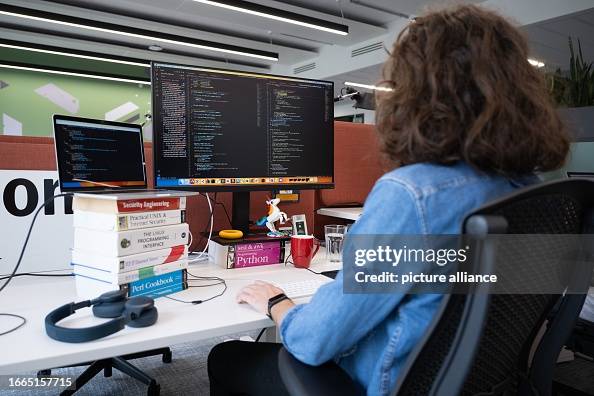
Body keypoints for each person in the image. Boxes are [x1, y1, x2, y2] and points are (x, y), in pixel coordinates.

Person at [207, 4, 570, 396]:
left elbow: (317, 342)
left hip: (387, 384)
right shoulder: (542, 194)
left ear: (416, 95)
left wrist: (277, 301)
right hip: (483, 385)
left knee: (226, 357)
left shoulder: (415, 194)